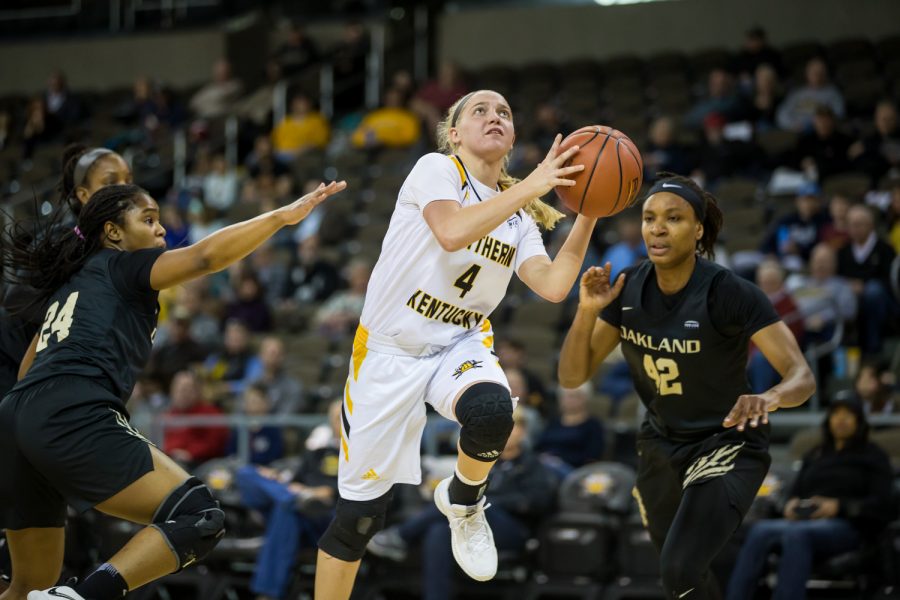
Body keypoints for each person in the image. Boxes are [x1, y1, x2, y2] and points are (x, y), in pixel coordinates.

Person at [0, 178, 345, 600]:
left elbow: (26, 369)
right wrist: (281, 216)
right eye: (148, 219)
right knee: (198, 515)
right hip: (72, 408)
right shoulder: (125, 265)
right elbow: (204, 257)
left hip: (15, 419)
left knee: (26, 587)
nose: (161, 229)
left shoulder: (70, 287)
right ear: (113, 233)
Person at [314, 89, 595, 599]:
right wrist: (533, 185)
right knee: (358, 519)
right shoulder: (435, 169)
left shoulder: (520, 217)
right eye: (480, 111)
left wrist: (590, 211)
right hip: (388, 352)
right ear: (455, 133)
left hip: (458, 342)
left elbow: (554, 285)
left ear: (511, 136)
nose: (494, 117)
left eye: (505, 112)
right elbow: (450, 232)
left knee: (492, 411)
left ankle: (464, 503)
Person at [558, 172, 816, 600]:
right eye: (649, 218)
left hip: (725, 442)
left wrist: (767, 397)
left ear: (698, 229)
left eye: (673, 218)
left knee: (680, 567)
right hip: (660, 444)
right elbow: (571, 376)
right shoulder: (629, 287)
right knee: (680, 580)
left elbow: (802, 377)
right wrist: (586, 312)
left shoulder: (728, 292)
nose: (657, 228)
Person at [0, 144, 133, 590]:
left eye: (127, 178)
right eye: (110, 182)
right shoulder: (63, 246)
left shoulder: (120, 247)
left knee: (37, 577)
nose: (124, 187)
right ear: (81, 195)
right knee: (31, 572)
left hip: (45, 400)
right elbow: (16, 303)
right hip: (16, 391)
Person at [366, 407, 558, 600]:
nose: (505, 432)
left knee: (470, 501)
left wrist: (492, 502)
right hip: (471, 521)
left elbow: (538, 501)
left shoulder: (533, 465)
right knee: (439, 530)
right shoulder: (483, 462)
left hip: (513, 530)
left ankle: (401, 535)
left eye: (512, 427)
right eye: (499, 428)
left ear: (523, 431)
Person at [726, 398, 894, 600]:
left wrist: (838, 506)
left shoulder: (873, 456)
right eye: (836, 414)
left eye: (848, 415)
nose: (841, 420)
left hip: (848, 525)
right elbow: (795, 492)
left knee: (798, 534)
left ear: (859, 421)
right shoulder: (816, 454)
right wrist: (790, 504)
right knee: (759, 530)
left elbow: (884, 504)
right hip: (804, 521)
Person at [235, 400, 341, 600]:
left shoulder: (360, 453)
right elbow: (297, 479)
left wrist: (321, 492)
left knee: (285, 510)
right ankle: (290, 497)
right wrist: (278, 478)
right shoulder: (317, 450)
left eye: (346, 417)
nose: (341, 422)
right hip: (300, 505)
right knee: (245, 472)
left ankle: (267, 594)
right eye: (336, 418)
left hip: (325, 516)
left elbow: (356, 491)